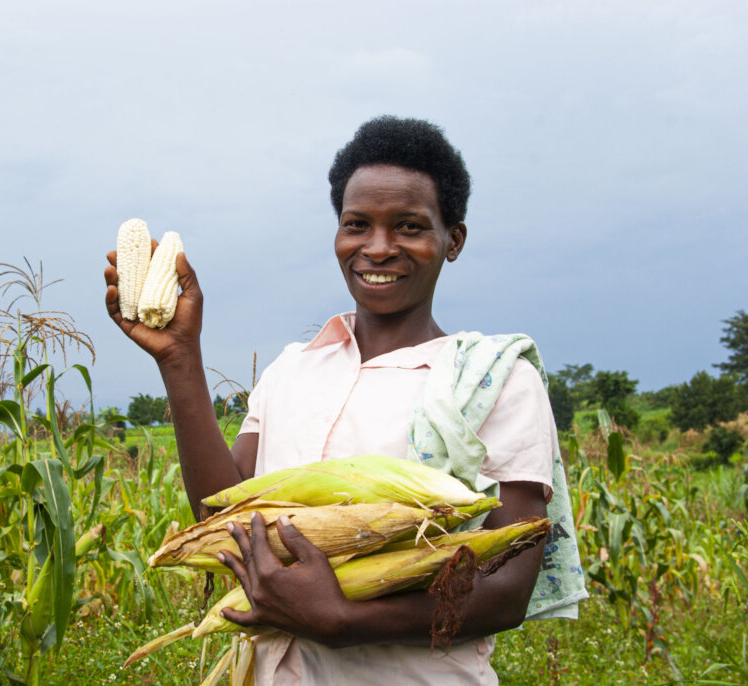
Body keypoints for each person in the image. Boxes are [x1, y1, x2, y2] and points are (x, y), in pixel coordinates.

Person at [105, 116, 580, 685]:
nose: (377, 248)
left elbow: (504, 591)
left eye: (409, 226)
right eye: (357, 225)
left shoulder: (492, 379)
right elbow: (221, 518)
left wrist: (341, 620)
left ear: (452, 240)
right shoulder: (290, 370)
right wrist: (179, 358)